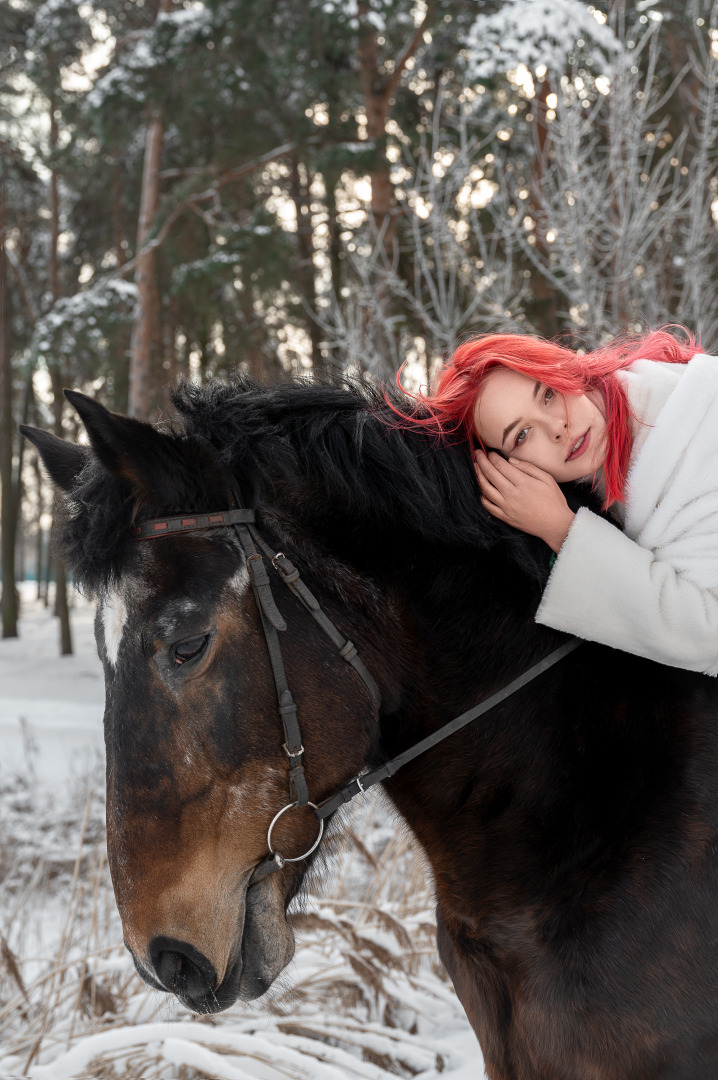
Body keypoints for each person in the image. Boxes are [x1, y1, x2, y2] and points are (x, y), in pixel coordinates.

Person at [396, 329, 718, 675]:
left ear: (564, 371)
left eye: (547, 394)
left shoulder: (701, 427)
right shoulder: (606, 473)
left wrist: (560, 529)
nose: (557, 428)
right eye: (522, 435)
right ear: (507, 468)